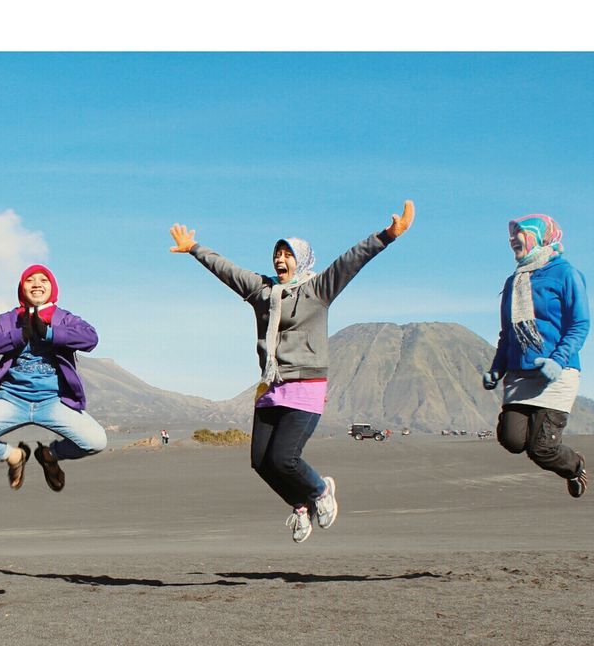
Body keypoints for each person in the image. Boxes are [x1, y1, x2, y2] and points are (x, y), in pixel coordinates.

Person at [169, 201, 415, 542]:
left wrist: (387, 236)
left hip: (306, 385)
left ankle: (320, 490)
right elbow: (227, 270)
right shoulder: (263, 292)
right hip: (271, 387)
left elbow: (351, 260)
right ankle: (300, 506)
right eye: (277, 254)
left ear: (301, 260)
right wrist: (195, 249)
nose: (280, 260)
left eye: (287, 254)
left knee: (284, 457)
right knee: (261, 461)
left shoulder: (318, 290)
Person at [0, 264, 107, 491]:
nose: (36, 284)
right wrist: (19, 334)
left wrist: (50, 333)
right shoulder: (9, 320)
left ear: (52, 288)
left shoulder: (64, 318)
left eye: (43, 280)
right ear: (22, 288)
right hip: (11, 399)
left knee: (96, 441)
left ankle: (49, 455)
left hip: (53, 401)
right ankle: (15, 456)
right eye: (30, 280)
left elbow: (90, 339)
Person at [482, 214, 590, 496]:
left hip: (557, 374)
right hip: (520, 375)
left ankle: (575, 467)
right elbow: (508, 333)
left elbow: (579, 324)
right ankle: (544, 440)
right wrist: (498, 368)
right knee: (512, 439)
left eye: (519, 237)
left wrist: (558, 359)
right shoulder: (513, 282)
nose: (512, 242)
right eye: (511, 238)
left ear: (539, 237)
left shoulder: (566, 273)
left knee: (542, 450)